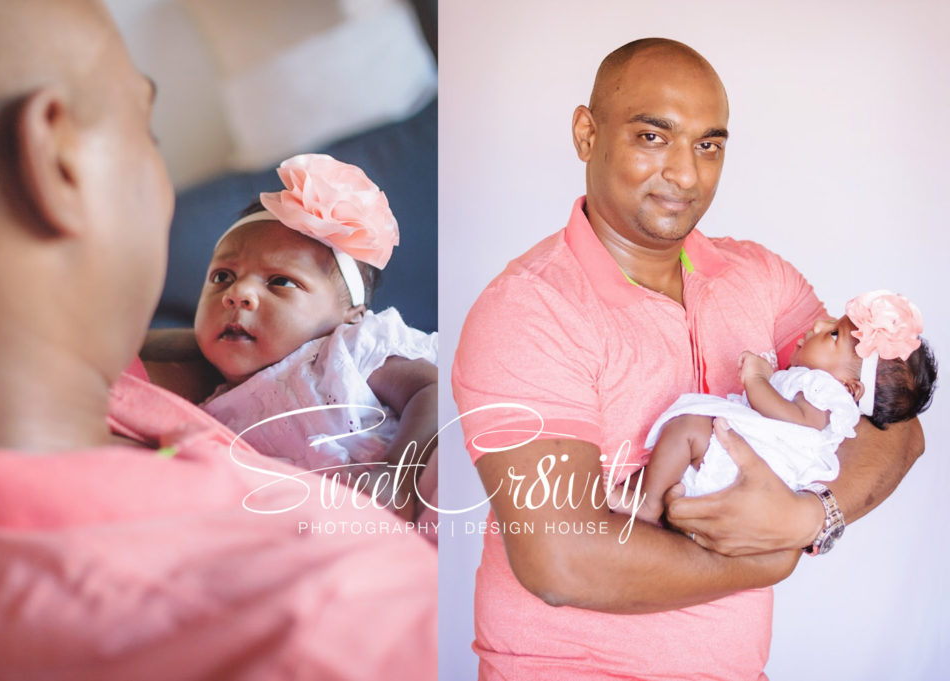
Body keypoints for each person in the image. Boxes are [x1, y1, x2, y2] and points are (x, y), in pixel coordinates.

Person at [0, 1, 436, 679]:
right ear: (58, 157)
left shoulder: (80, 383)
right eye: (147, 128)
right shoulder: (347, 614)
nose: (236, 292)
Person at [451, 38, 924, 679]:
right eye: (654, 137)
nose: (686, 174)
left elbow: (892, 422)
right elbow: (563, 557)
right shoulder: (529, 312)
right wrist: (765, 557)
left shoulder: (759, 277)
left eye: (709, 145)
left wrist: (812, 515)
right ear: (587, 134)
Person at [195, 154, 438, 522]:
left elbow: (438, 393)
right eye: (222, 277)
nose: (237, 293)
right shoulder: (213, 414)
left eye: (280, 281)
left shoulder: (349, 349)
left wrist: (398, 473)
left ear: (351, 315)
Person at [628, 291, 936, 524]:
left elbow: (793, 419)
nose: (818, 324)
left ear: (850, 387)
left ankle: (649, 502)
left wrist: (757, 379)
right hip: (745, 465)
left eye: (833, 334)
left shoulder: (827, 393)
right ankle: (654, 495)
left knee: (687, 427)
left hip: (747, 470)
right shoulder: (819, 385)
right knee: (686, 430)